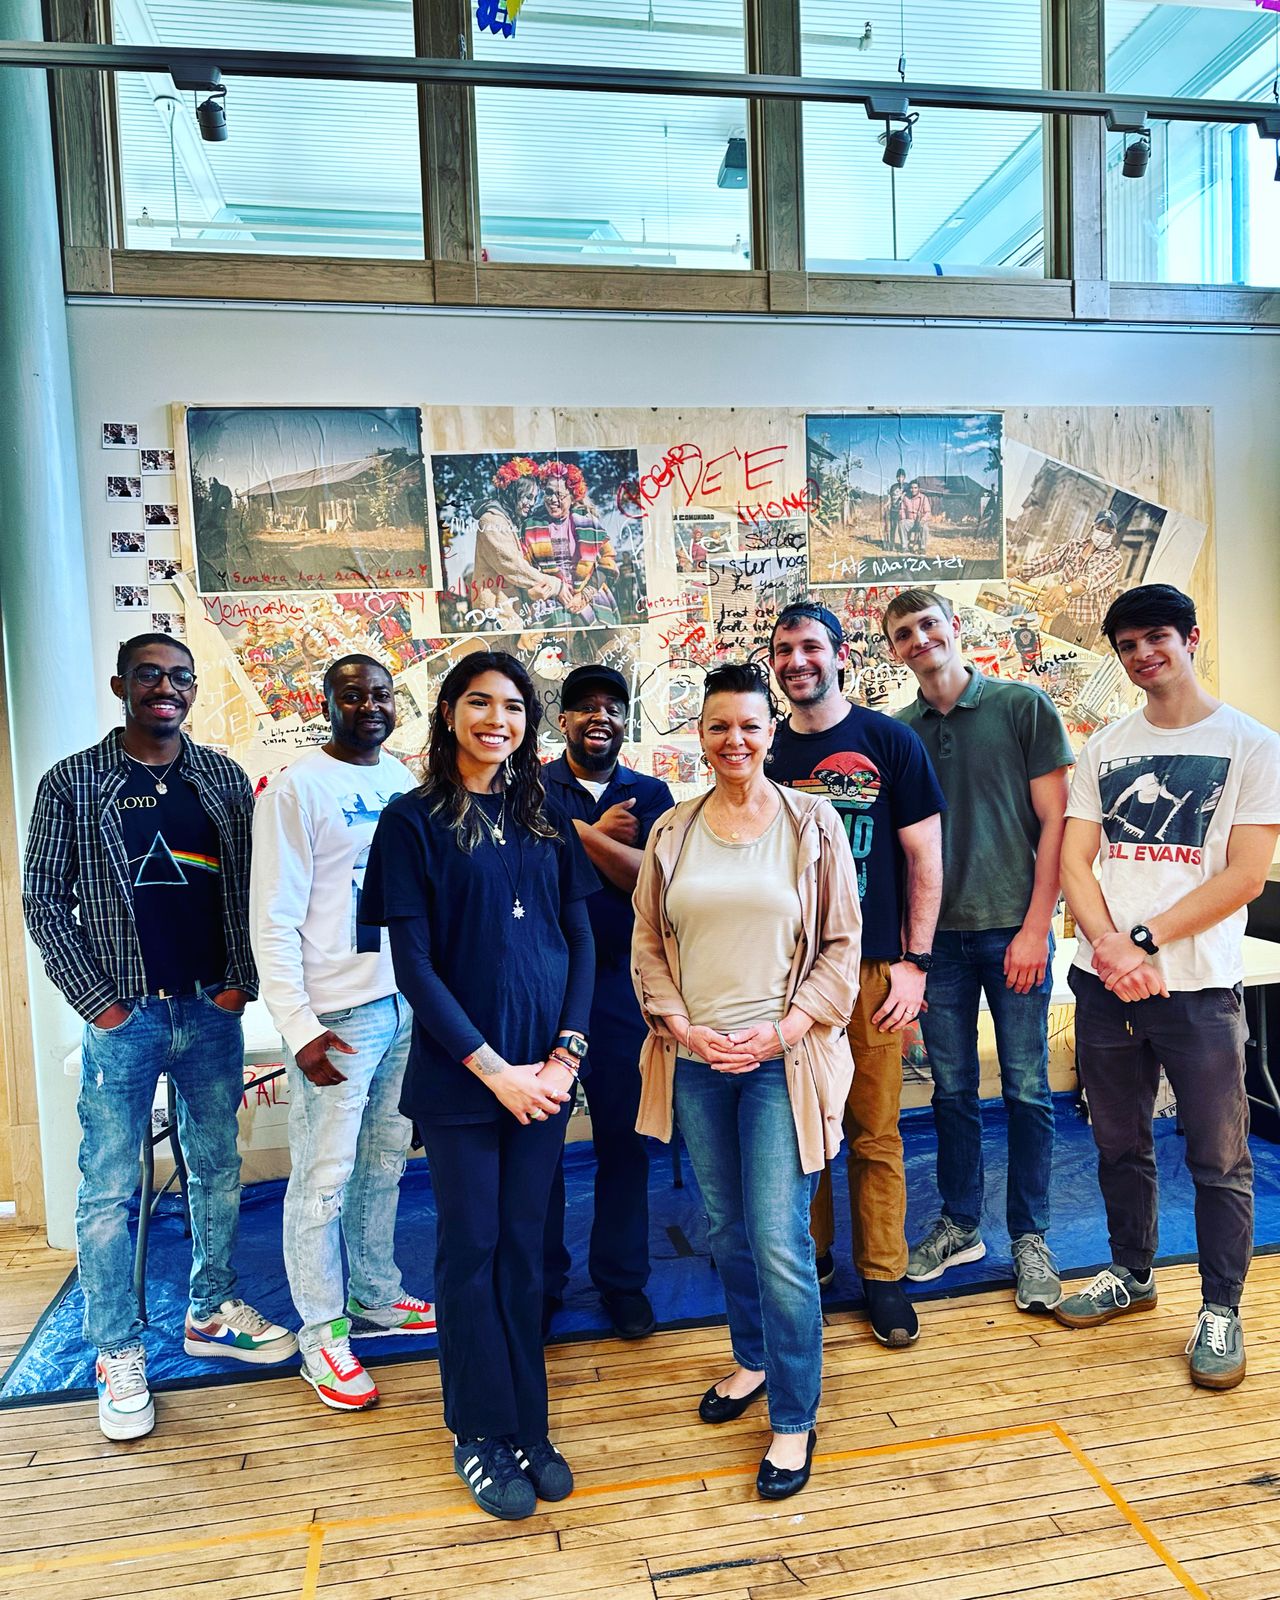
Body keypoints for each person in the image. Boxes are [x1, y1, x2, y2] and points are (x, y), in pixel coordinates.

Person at [22, 633, 296, 1443]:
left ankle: (211, 1310)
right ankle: (116, 1349)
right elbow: (43, 902)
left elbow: (254, 890)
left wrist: (240, 980)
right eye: (150, 675)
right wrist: (99, 1003)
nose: (165, 688)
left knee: (216, 1167)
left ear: (194, 689)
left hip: (210, 1013)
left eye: (179, 677)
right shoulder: (73, 781)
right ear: (121, 685)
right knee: (109, 1189)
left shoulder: (220, 778)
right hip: (126, 1018)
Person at [359, 651, 598, 1521]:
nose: (497, 720)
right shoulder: (411, 820)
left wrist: (565, 1057)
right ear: (449, 713)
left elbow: (581, 938)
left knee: (527, 1249)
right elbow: (415, 968)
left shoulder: (547, 816)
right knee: (472, 1250)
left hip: (546, 1079)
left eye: (513, 707)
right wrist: (495, 1072)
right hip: (466, 1083)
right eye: (479, 703)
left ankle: (528, 1422)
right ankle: (477, 1431)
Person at [632, 662, 861, 1502]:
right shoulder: (673, 830)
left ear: (771, 733)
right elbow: (647, 942)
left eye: (750, 726)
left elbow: (841, 944)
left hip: (780, 1064)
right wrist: (681, 1025)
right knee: (727, 1229)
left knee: (778, 1238)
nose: (735, 740)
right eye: (719, 725)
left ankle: (795, 1417)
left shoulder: (813, 823)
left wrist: (785, 1030)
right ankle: (753, 1359)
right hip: (696, 1063)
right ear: (700, 734)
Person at [1056, 585, 1280, 1389]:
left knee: (1218, 1156)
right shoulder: (1106, 747)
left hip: (1198, 989)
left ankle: (1221, 1307)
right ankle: (1132, 1273)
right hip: (1106, 986)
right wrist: (1111, 950)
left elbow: (1245, 876)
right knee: (1118, 1143)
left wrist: (1143, 940)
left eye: (1156, 637)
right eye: (1127, 645)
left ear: (1190, 638)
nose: (1142, 655)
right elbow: (1075, 860)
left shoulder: (1253, 745)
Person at [250, 654, 434, 1414]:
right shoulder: (296, 789)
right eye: (352, 695)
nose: (370, 706)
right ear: (325, 703)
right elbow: (272, 918)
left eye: (381, 694)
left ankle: (376, 1295)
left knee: (385, 1161)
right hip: (337, 1017)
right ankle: (322, 1334)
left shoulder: (399, 779)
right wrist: (299, 1028)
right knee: (323, 1179)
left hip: (402, 1003)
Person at [884, 589, 1074, 1312]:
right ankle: (961, 1224)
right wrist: (909, 956)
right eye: (904, 632)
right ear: (894, 650)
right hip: (936, 947)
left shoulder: (1022, 707)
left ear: (953, 627)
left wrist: (1035, 926)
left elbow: (1056, 824)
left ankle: (1031, 1236)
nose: (920, 639)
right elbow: (900, 858)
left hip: (1013, 931)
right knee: (952, 1090)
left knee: (1026, 1089)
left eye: (929, 624)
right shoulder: (898, 732)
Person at [766, 601, 945, 1349]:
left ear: (841, 655)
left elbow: (925, 859)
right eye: (783, 651)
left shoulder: (890, 740)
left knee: (874, 1131)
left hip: (874, 969)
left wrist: (914, 963)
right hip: (790, 974)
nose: (797, 661)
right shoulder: (765, 746)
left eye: (811, 647)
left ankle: (883, 1274)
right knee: (799, 1129)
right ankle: (809, 1261)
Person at [541, 664, 674, 1341]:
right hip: (547, 991)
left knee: (626, 1144)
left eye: (613, 707)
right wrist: (596, 832)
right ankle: (542, 1283)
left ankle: (622, 1283)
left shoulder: (651, 794)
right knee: (539, 1147)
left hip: (623, 991)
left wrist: (573, 833)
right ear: (562, 720)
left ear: (626, 721)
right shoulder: (529, 784)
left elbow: (649, 882)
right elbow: (532, 876)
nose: (600, 716)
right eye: (585, 706)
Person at [519, 461, 622, 628]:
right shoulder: (530, 526)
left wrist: (585, 595)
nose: (553, 499)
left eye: (560, 495)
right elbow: (523, 567)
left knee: (607, 637)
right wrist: (545, 589)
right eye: (549, 492)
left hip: (589, 593)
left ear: (573, 496)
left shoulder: (589, 523)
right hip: (548, 597)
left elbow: (608, 560)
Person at [469, 457, 562, 623]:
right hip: (496, 617)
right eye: (527, 497)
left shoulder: (508, 522)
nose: (531, 503)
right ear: (513, 492)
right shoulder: (491, 521)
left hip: (511, 614)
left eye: (534, 498)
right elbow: (513, 566)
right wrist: (556, 585)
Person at [1017, 509, 1124, 645]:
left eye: (1108, 531)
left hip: (1085, 629)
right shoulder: (1074, 545)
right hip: (1062, 617)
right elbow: (1046, 561)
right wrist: (1015, 571)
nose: (1103, 533)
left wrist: (1065, 589)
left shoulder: (1114, 558)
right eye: (1100, 528)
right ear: (1093, 527)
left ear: (1113, 534)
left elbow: (1091, 580)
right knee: (1047, 650)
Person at [900, 481, 932, 555]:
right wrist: (903, 518)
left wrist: (923, 520)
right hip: (910, 521)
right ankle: (904, 547)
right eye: (911, 488)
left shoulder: (924, 498)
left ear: (918, 489)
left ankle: (922, 548)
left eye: (915, 488)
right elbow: (902, 510)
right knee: (902, 523)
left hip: (920, 521)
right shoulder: (905, 498)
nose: (913, 490)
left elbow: (928, 512)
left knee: (925, 527)